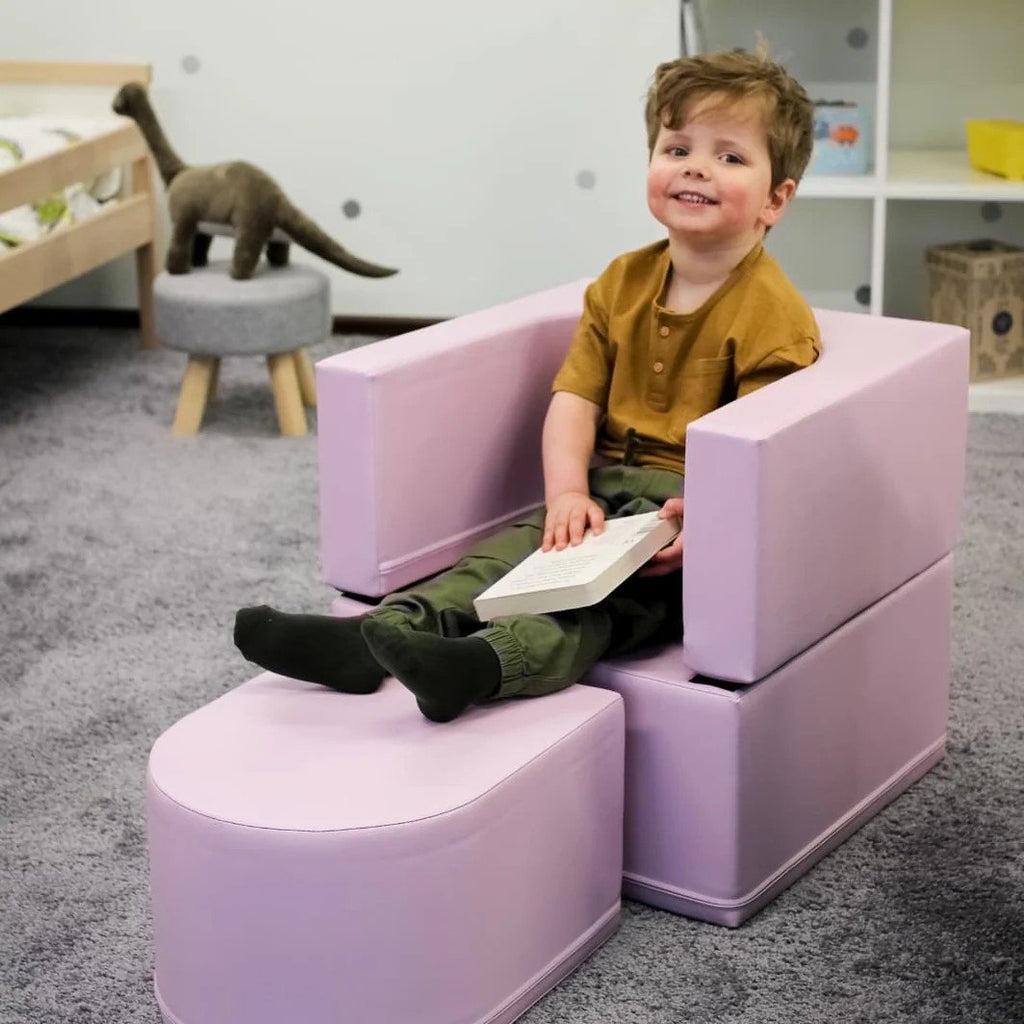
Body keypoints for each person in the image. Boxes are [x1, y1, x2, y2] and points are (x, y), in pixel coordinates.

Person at [234, 48, 821, 723]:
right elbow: (575, 400)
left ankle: (481, 667)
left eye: (730, 157)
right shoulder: (620, 283)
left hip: (685, 518)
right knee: (498, 562)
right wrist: (567, 492)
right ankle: (369, 641)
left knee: (599, 607)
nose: (695, 167)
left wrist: (709, 526)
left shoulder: (773, 315)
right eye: (677, 148)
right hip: (602, 491)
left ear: (776, 199)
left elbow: (762, 455)